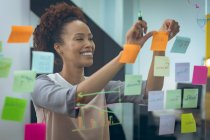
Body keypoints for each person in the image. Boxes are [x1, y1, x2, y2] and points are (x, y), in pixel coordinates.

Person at [31, 2, 179, 140]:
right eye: (79, 39)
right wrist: (126, 54)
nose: (89, 44)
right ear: (59, 47)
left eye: (90, 38)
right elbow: (75, 99)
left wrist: (160, 45)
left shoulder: (101, 88)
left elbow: (151, 91)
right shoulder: (41, 86)